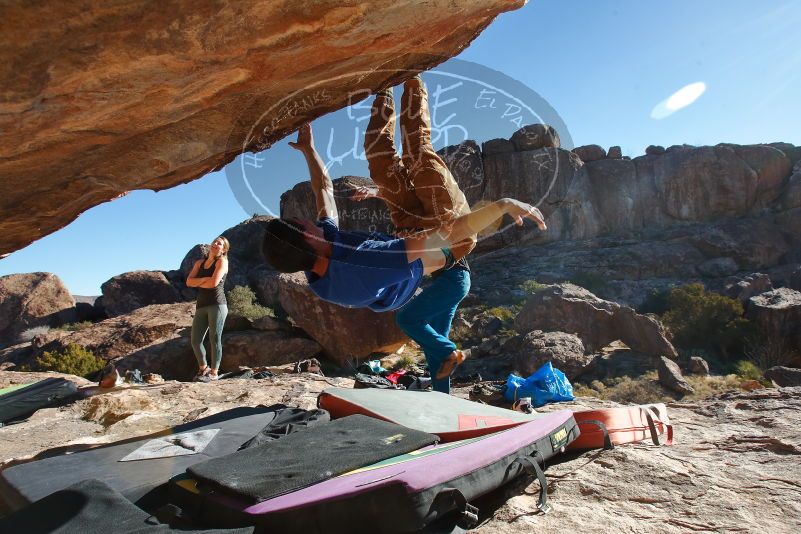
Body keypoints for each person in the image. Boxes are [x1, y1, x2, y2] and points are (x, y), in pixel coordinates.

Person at [262, 78, 546, 392]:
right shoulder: (366, 264)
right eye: (305, 223)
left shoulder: (320, 253)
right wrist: (503, 205)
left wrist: (309, 151)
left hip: (410, 232)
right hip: (449, 240)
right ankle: (414, 77)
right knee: (420, 156)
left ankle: (384, 86)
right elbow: (449, 232)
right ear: (309, 238)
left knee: (380, 162)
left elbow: (323, 190)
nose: (311, 221)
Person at [186, 236, 230, 381]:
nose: (216, 244)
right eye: (215, 242)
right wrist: (205, 279)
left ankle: (214, 372)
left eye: (220, 244)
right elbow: (188, 282)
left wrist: (199, 282)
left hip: (217, 304)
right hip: (202, 305)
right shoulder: (200, 262)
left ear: (223, 249)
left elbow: (213, 284)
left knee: (214, 338)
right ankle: (203, 368)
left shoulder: (222, 262)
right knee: (195, 340)